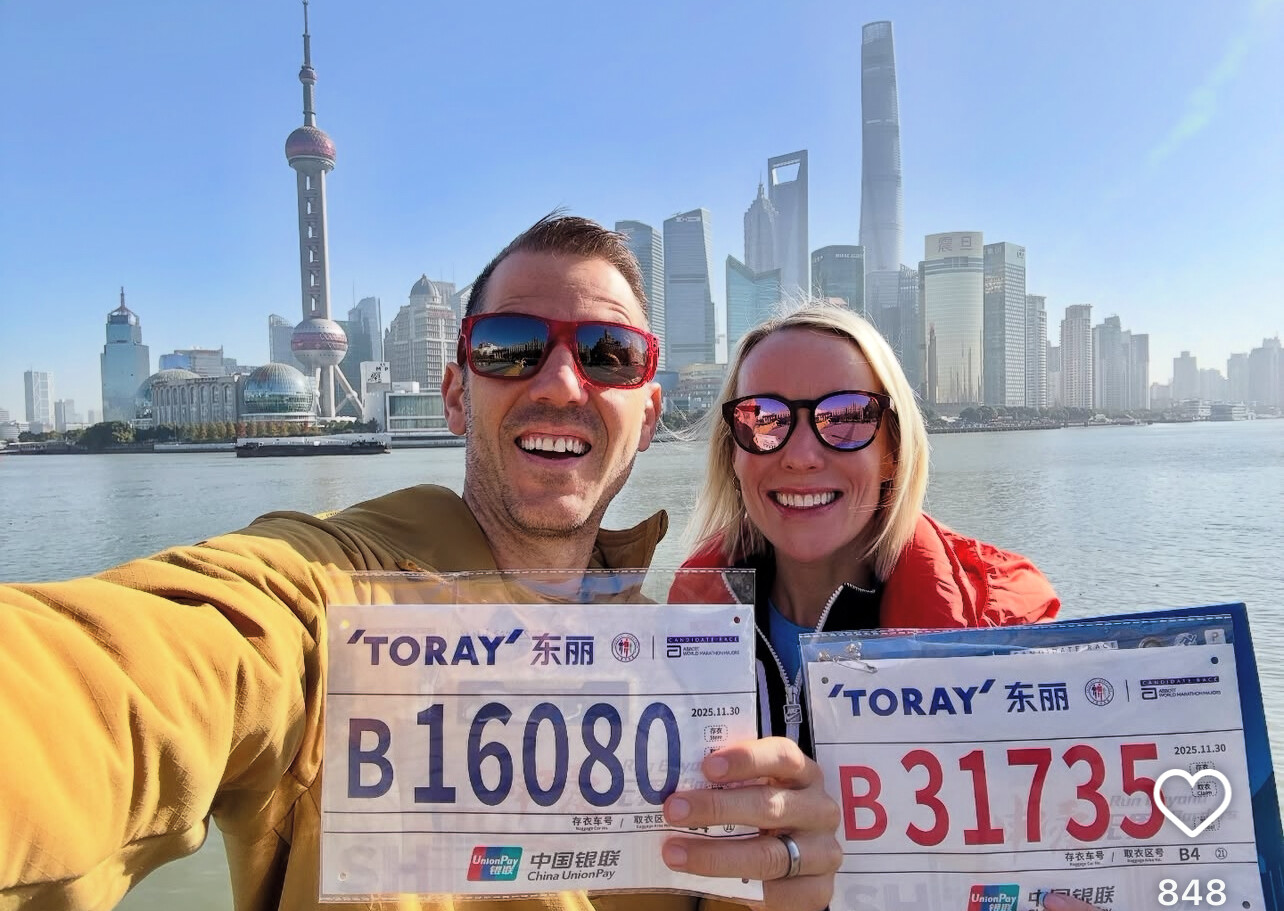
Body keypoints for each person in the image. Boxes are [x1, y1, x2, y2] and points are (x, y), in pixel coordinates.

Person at [0, 216, 838, 911]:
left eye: (608, 354)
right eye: (509, 346)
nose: (560, 383)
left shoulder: (687, 670)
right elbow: (139, 670)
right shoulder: (332, 597)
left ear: (648, 414)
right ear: (454, 393)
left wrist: (781, 889)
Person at [672, 303, 1061, 751]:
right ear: (733, 455)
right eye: (764, 419)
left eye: (845, 417)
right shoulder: (683, 624)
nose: (801, 457)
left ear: (892, 451)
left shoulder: (1002, 629)